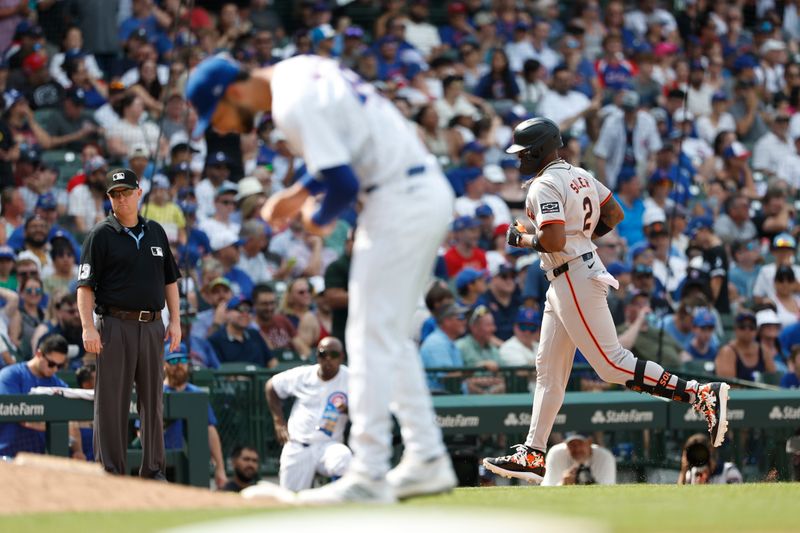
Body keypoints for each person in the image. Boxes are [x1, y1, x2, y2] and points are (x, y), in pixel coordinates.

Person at [188, 54, 457, 502]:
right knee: (386, 335)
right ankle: (427, 456)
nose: (222, 130)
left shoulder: (290, 104)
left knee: (369, 335)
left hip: (397, 199)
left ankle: (370, 472)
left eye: (216, 116)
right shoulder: (301, 69)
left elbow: (344, 185)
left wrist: (316, 217)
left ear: (233, 92)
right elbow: (344, 150)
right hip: (415, 190)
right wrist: (297, 195)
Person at [482, 118, 729, 484]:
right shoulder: (579, 174)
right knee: (549, 372)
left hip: (572, 275)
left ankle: (700, 394)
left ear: (536, 150)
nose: (518, 160)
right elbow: (614, 214)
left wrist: (523, 240)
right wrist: (581, 238)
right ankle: (533, 452)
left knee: (611, 365)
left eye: (522, 153)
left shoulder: (544, 184)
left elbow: (550, 241)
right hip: (570, 273)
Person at [76, 168, 182, 479]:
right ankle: (111, 471)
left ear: (139, 193)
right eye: (114, 194)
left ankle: (153, 470)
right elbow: (85, 287)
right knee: (112, 402)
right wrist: (87, 327)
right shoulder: (100, 235)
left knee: (153, 400)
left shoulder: (156, 232)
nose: (120, 198)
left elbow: (170, 280)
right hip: (114, 324)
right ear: (108, 199)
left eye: (125, 192)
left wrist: (174, 321)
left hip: (152, 325)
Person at [265, 337, 352, 492]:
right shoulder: (304, 374)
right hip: (298, 444)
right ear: (317, 356)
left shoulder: (351, 379)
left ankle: (339, 505)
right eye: (323, 354)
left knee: (343, 457)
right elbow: (271, 386)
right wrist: (278, 421)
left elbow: (365, 410)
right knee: (289, 498)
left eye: (333, 354)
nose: (328, 359)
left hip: (328, 445)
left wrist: (348, 410)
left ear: (341, 357)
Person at [0, 335, 83, 458]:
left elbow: (72, 423)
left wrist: (78, 451)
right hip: (8, 454)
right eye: (51, 364)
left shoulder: (58, 384)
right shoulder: (11, 375)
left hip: (40, 457)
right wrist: (56, 425)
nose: (55, 369)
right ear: (39, 354)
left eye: (59, 366)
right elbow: (22, 416)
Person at [162, 344, 226, 489]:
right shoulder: (156, 392)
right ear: (164, 364)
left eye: (182, 360)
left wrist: (220, 468)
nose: (178, 365)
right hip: (163, 462)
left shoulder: (196, 393)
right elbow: (141, 432)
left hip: (193, 461)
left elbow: (210, 430)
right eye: (172, 361)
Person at [208, 295, 275, 367]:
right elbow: (217, 370)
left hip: (262, 378)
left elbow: (272, 361)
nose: (245, 314)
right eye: (240, 309)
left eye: (249, 310)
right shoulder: (215, 340)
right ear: (227, 313)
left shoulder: (255, 334)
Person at [715, 311, 776, 382]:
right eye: (742, 326)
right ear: (735, 329)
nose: (747, 330)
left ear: (756, 330)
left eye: (751, 327)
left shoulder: (764, 350)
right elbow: (727, 385)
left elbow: (773, 380)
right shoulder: (727, 352)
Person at [541, 433, 617, 486]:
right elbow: (546, 488)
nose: (577, 449)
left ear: (589, 442)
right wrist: (563, 483)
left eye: (580, 444)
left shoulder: (605, 456)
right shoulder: (556, 453)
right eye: (572, 445)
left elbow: (608, 490)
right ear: (565, 444)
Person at [678, 433, 742, 484]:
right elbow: (680, 496)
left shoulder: (729, 471)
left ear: (710, 452)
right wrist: (683, 470)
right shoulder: (691, 474)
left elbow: (736, 496)